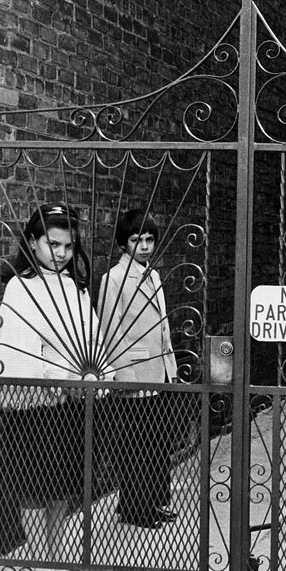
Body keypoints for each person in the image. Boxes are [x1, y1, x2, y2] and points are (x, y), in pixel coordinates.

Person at [0, 203, 113, 571]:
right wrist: (54, 373)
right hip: (31, 405)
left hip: (69, 404)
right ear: (33, 242)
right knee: (33, 488)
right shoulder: (20, 287)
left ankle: (50, 561)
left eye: (69, 247)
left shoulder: (74, 287)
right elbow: (16, 350)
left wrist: (92, 376)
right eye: (52, 244)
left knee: (60, 487)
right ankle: (41, 568)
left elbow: (90, 340)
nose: (60, 253)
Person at [98, 209, 178, 529]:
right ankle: (135, 509)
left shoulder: (153, 274)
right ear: (122, 244)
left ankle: (150, 502)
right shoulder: (114, 279)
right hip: (135, 374)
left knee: (156, 444)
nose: (144, 246)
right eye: (136, 240)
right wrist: (124, 375)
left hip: (158, 372)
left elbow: (163, 326)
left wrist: (170, 366)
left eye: (148, 239)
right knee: (136, 446)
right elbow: (110, 330)